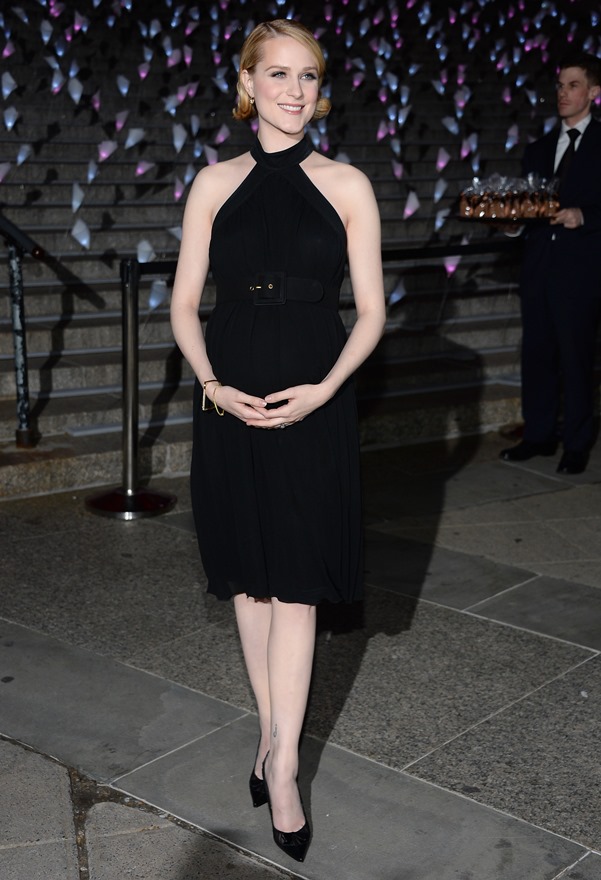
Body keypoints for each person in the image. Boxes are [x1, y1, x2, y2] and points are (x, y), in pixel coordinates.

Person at [170, 19, 385, 863]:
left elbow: (370, 312)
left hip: (313, 393)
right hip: (230, 395)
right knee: (250, 584)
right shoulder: (212, 183)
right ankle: (270, 734)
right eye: (279, 74)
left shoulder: (346, 183)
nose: (295, 90)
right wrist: (211, 385)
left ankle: (284, 767)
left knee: (295, 586)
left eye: (308, 76)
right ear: (247, 83)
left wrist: (326, 391)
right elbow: (184, 303)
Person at [500, 53, 601, 474]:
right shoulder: (537, 149)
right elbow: (528, 210)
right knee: (537, 355)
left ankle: (576, 443)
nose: (562, 93)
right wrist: (512, 226)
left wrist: (585, 216)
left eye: (573, 85)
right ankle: (538, 435)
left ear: (594, 93)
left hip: (582, 271)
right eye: (560, 85)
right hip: (538, 268)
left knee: (576, 359)